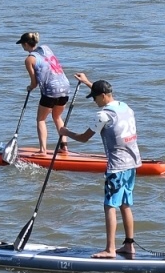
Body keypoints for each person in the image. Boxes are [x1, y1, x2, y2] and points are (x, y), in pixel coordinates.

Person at [59, 73, 140, 259]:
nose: (94, 101)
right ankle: (129, 246)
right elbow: (103, 94)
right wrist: (88, 83)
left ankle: (110, 249)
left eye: (94, 97)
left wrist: (65, 132)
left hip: (117, 167)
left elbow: (83, 138)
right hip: (133, 163)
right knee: (125, 205)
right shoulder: (125, 107)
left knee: (109, 206)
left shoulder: (103, 115)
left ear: (103, 96)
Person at [18, 32, 70, 156]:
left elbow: (34, 83)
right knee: (57, 117)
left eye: (22, 44)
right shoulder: (46, 48)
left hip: (51, 90)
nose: (22, 47)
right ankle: (64, 147)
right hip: (65, 87)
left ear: (26, 44)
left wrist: (29, 88)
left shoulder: (29, 59)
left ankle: (43, 150)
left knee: (41, 119)